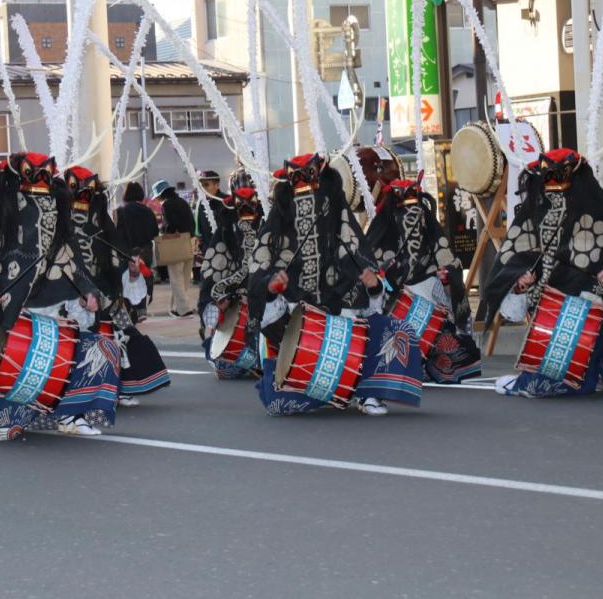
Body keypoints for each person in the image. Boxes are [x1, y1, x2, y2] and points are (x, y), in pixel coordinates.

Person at [0, 152, 119, 440]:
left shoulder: (59, 228)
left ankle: (70, 415)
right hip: (8, 321)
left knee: (103, 351)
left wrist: (87, 296)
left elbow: (76, 271)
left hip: (52, 319)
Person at [245, 153, 427, 416]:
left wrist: (372, 284)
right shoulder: (277, 232)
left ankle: (367, 393)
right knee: (280, 404)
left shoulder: (341, 222)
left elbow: (362, 268)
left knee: (392, 328)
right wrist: (271, 289)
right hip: (294, 318)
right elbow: (259, 275)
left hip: (341, 306)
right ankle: (318, 390)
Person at [482, 149, 603, 398]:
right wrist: (520, 284)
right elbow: (514, 262)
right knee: (552, 382)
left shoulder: (598, 215)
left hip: (588, 311)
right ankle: (581, 373)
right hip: (548, 317)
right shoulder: (531, 218)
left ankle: (601, 370)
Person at [66, 166, 169, 406]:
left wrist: (132, 272)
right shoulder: (58, 229)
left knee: (124, 337)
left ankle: (118, 386)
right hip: (69, 298)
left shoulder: (104, 226)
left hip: (106, 296)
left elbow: (117, 261)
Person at [365, 176, 482, 384]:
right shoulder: (382, 238)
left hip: (430, 294)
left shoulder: (432, 237)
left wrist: (447, 279)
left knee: (458, 353)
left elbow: (450, 267)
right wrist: (379, 278)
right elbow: (368, 272)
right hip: (393, 301)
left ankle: (426, 362)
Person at [198, 172, 264, 378]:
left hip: (263, 296)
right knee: (226, 369)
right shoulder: (227, 225)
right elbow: (216, 266)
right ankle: (247, 359)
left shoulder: (268, 220)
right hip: (236, 297)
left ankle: (258, 359)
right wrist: (218, 299)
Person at [115, 181, 159, 318]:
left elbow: (116, 233)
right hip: (144, 251)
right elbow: (154, 232)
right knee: (141, 279)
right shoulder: (148, 211)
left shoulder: (120, 212)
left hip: (125, 252)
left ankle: (127, 308)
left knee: (125, 281)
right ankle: (141, 310)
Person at [155, 179, 195, 318]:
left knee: (176, 278)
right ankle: (178, 307)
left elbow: (170, 225)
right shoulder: (183, 202)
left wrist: (163, 230)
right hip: (189, 241)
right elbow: (191, 222)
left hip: (175, 244)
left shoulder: (167, 204)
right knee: (184, 277)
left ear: (161, 195)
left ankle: (184, 309)